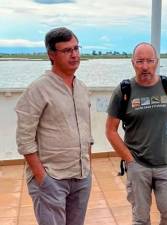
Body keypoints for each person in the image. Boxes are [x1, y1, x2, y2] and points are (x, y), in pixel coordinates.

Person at [105, 42, 167, 225]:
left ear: (157, 62)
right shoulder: (123, 91)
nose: (145, 66)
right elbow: (110, 130)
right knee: (141, 219)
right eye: (140, 61)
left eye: (150, 61)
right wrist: (129, 160)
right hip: (138, 165)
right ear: (132, 63)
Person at [15, 27, 93, 225]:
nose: (74, 55)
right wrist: (42, 178)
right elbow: (24, 139)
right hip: (52, 178)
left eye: (76, 48)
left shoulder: (82, 89)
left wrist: (88, 167)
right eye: (67, 50)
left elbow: (86, 131)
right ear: (51, 55)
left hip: (81, 177)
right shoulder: (38, 89)